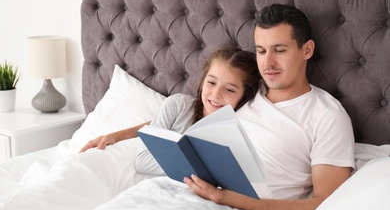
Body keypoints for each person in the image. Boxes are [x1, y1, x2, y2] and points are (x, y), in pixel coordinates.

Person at [184, 3, 355, 210]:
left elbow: (323, 202)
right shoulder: (246, 92)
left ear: (307, 50)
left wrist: (229, 199)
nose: (268, 62)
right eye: (261, 51)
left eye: (280, 50)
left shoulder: (328, 116)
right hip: (195, 194)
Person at [79, 48, 261, 163]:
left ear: (244, 97)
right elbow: (144, 158)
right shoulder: (179, 105)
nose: (216, 94)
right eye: (211, 83)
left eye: (229, 90)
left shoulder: (240, 129)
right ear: (202, 81)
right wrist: (115, 136)